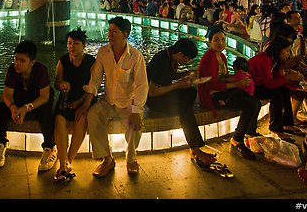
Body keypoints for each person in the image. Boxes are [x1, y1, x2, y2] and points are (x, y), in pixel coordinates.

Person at [82, 16, 148, 177]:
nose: (109, 34)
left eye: (114, 32)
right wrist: (87, 102)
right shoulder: (103, 52)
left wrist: (136, 109)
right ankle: (107, 159)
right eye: (109, 31)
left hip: (128, 102)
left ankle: (131, 158)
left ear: (125, 34)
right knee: (93, 115)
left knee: (135, 124)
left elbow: (141, 85)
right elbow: (96, 78)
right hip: (108, 100)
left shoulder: (136, 56)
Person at [146, 38, 218, 167]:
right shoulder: (161, 60)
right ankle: (195, 149)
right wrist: (178, 85)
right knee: (183, 107)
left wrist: (185, 74)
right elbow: (153, 92)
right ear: (180, 54)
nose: (188, 61)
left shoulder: (169, 57)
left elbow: (168, 76)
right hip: (154, 100)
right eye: (188, 59)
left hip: (162, 94)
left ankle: (185, 118)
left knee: (190, 92)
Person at [197, 26, 261, 160]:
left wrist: (239, 78)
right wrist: (236, 84)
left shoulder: (221, 57)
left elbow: (223, 77)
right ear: (209, 42)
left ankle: (249, 132)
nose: (220, 43)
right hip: (211, 96)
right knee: (250, 104)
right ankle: (237, 140)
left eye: (223, 39)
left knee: (255, 101)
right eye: (216, 40)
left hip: (221, 92)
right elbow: (211, 84)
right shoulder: (209, 58)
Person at [0, 40, 57, 171]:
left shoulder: (41, 70)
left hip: (38, 103)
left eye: (22, 61)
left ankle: (50, 147)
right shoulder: (12, 69)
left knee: (46, 114)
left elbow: (44, 96)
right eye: (15, 59)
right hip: (21, 101)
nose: (17, 63)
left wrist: (26, 108)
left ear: (32, 62)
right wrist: (13, 107)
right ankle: (0, 144)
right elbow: (7, 94)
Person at [52, 28, 96, 182]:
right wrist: (61, 84)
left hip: (85, 100)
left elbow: (93, 87)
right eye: (69, 43)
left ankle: (67, 162)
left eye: (76, 43)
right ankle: (63, 163)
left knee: (81, 119)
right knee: (59, 119)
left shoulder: (91, 62)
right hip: (67, 99)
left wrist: (81, 104)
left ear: (83, 45)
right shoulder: (63, 61)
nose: (72, 46)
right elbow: (57, 82)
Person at [248, 36, 304, 141]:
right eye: (287, 51)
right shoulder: (264, 60)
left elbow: (277, 78)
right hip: (251, 87)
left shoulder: (275, 60)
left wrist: (296, 86)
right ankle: (275, 128)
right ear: (278, 50)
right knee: (276, 95)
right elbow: (269, 84)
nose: (288, 54)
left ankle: (287, 124)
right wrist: (287, 78)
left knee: (284, 91)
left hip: (260, 84)